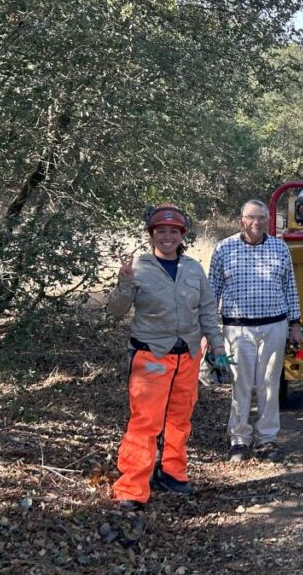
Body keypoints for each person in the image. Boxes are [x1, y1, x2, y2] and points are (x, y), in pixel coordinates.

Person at [107, 203, 225, 512]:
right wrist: (124, 283)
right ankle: (132, 487)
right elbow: (115, 310)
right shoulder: (140, 268)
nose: (167, 237)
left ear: (182, 235)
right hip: (151, 355)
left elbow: (207, 311)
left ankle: (173, 472)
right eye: (161, 231)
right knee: (146, 422)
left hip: (187, 354)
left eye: (173, 231)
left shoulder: (193, 268)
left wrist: (219, 348)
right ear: (152, 235)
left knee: (180, 419)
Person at [209, 199, 303, 462]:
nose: (256, 222)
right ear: (242, 219)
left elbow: (290, 289)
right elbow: (211, 291)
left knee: (269, 384)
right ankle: (239, 438)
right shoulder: (224, 248)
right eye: (251, 217)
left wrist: (295, 324)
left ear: (268, 220)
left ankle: (267, 439)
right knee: (240, 384)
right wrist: (209, 332)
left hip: (274, 326)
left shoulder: (279, 247)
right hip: (237, 329)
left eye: (261, 217)